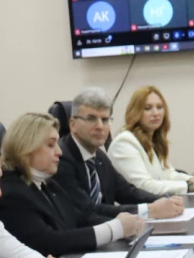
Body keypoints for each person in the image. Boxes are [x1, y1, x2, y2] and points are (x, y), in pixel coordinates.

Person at [0, 112, 143, 257]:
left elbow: (81, 218)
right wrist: (114, 229)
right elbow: (48, 242)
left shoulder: (49, 185)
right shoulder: (10, 192)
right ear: (25, 147)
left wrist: (126, 224)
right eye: (51, 145)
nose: (59, 151)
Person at [54, 86, 184, 221]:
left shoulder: (99, 156)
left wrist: (164, 201)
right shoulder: (61, 159)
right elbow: (88, 210)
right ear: (73, 124)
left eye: (105, 119)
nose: (100, 126)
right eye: (91, 119)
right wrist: (149, 210)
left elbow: (126, 192)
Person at [108, 85, 194, 198]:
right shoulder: (124, 142)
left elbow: (168, 174)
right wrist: (189, 186)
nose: (156, 113)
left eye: (159, 107)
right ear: (135, 112)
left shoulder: (152, 139)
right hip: (138, 207)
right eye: (148, 108)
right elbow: (143, 186)